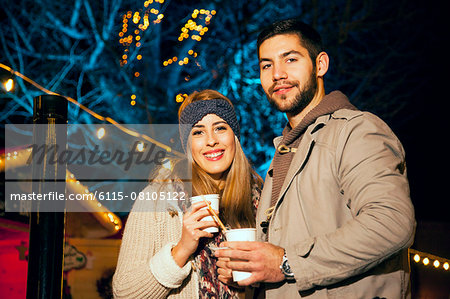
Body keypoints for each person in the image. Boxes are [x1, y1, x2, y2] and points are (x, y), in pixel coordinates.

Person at [215, 18, 416, 298]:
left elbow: (391, 223)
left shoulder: (356, 130)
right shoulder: (285, 149)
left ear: (320, 65)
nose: (277, 74)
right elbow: (283, 252)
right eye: (266, 65)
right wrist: (251, 270)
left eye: (291, 59)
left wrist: (286, 263)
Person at [113, 89, 262, 298]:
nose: (211, 140)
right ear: (188, 145)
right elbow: (124, 293)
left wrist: (247, 281)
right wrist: (181, 250)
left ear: (234, 136)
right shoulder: (157, 201)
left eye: (220, 128)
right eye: (198, 132)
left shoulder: (261, 203)